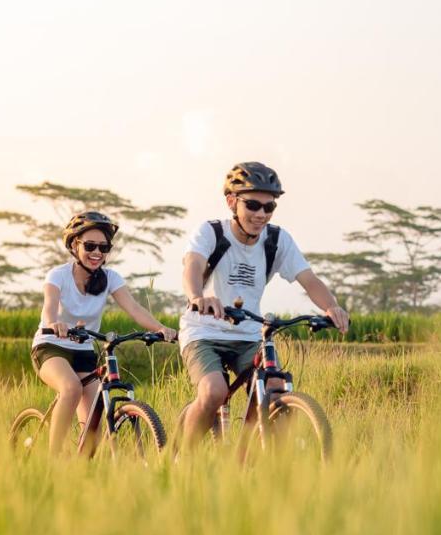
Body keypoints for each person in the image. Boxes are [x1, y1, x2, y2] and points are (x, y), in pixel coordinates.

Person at [179, 162, 349, 449]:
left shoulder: (277, 240)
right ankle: (180, 460)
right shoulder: (211, 233)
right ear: (232, 201)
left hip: (248, 334)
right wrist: (197, 297)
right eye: (253, 205)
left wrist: (332, 307)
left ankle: (255, 463)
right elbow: (192, 265)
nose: (261, 215)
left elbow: (309, 279)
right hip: (203, 332)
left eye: (269, 207)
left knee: (274, 389)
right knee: (213, 393)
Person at [32, 211, 178, 455]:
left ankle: (79, 472)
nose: (97, 253)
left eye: (104, 247)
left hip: (84, 350)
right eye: (90, 246)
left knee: (93, 426)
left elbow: (134, 308)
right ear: (74, 245)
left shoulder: (110, 278)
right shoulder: (58, 275)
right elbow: (49, 308)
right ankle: (53, 463)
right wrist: (55, 323)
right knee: (70, 388)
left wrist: (160, 329)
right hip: (51, 345)